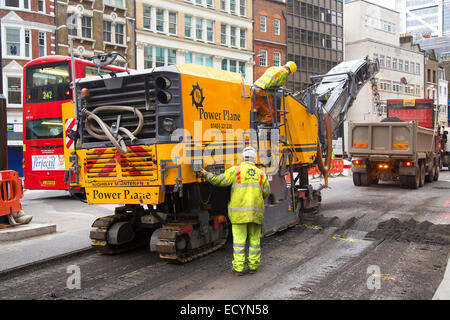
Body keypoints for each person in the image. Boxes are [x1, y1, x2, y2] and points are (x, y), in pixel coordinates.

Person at [200, 146, 270, 276]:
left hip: (239, 214)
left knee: (239, 241)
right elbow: (266, 193)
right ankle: (253, 266)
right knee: (255, 241)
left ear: (243, 157)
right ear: (254, 159)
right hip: (256, 213)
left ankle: (238, 269)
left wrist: (205, 173)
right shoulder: (261, 174)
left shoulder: (235, 171)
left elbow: (218, 181)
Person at [253, 61, 297, 126]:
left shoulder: (272, 68)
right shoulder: (285, 72)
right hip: (264, 91)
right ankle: (266, 130)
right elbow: (278, 84)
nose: (289, 74)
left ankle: (255, 127)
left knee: (257, 111)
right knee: (270, 113)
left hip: (255, 89)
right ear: (290, 70)